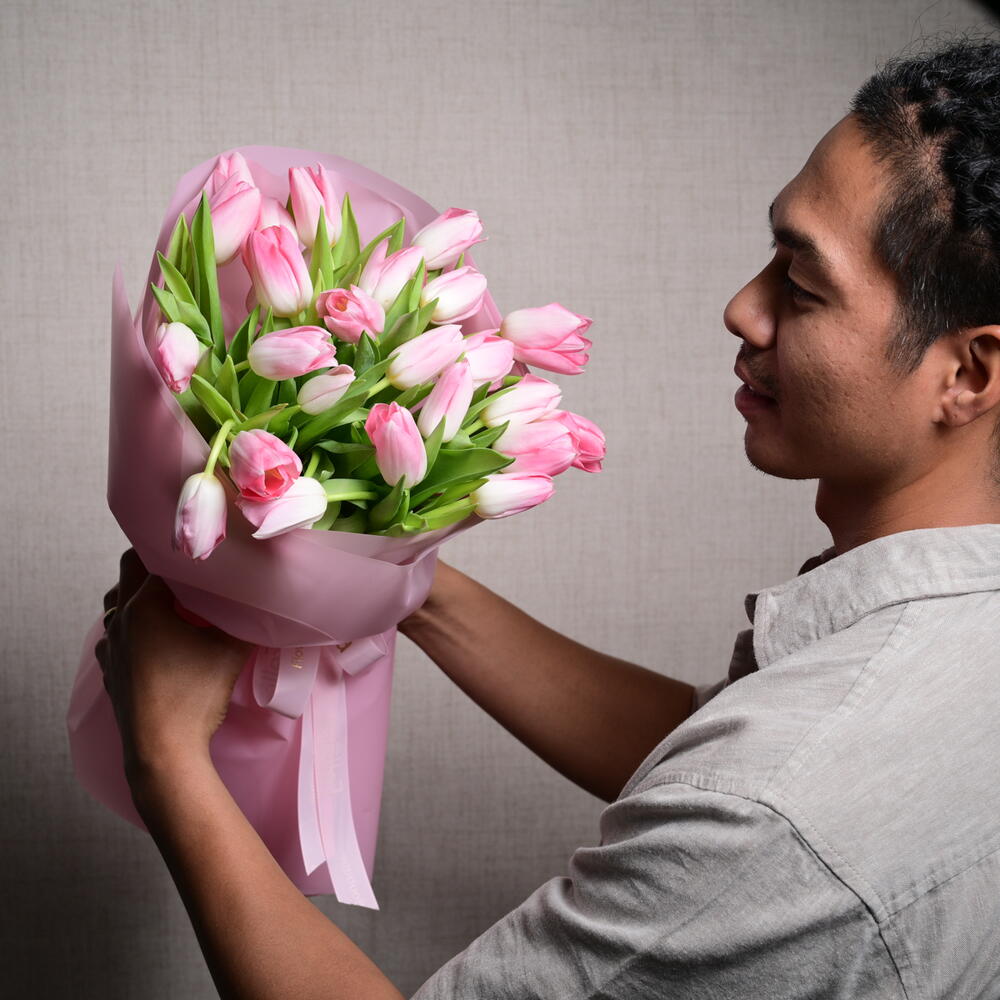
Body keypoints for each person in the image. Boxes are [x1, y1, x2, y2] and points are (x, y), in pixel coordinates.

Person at [96, 36, 1000, 999]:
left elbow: (750, 804)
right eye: (770, 256)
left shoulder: (778, 821)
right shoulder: (918, 667)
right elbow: (704, 746)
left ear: (969, 373)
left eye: (803, 287)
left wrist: (166, 756)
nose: (744, 308)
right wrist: (378, 575)